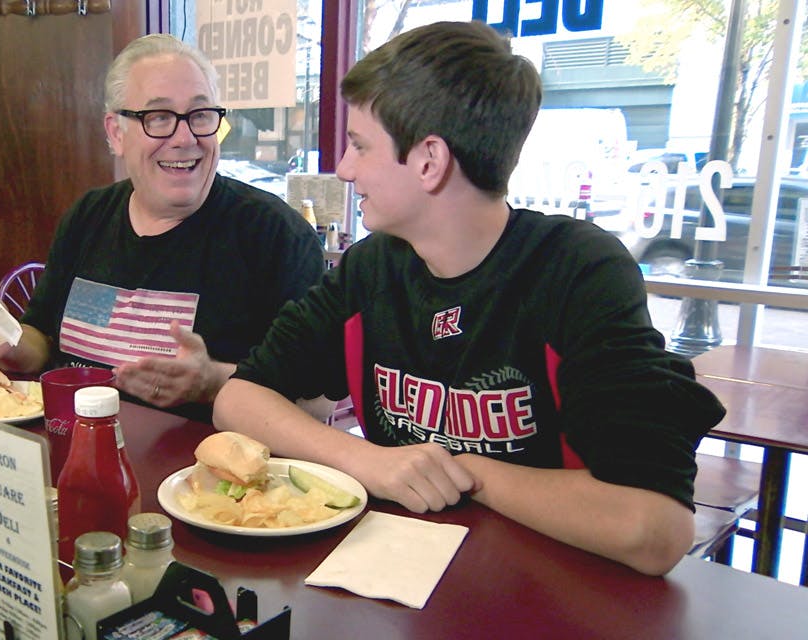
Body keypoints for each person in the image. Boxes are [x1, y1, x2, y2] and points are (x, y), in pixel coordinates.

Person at [213, 21, 726, 576]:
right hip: (401, 585)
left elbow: (655, 529)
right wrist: (372, 461)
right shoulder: (373, 266)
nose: (343, 168)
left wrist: (462, 471)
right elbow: (238, 401)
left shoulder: (578, 271)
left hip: (554, 596)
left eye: (360, 145)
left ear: (429, 160)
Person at [0, 34, 325, 422]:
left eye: (201, 115)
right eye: (158, 118)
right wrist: (4, 338)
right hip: (75, 450)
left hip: (201, 478)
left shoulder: (276, 235)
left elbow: (318, 399)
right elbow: (43, 343)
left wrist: (215, 383)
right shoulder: (89, 215)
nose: (185, 137)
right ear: (116, 132)